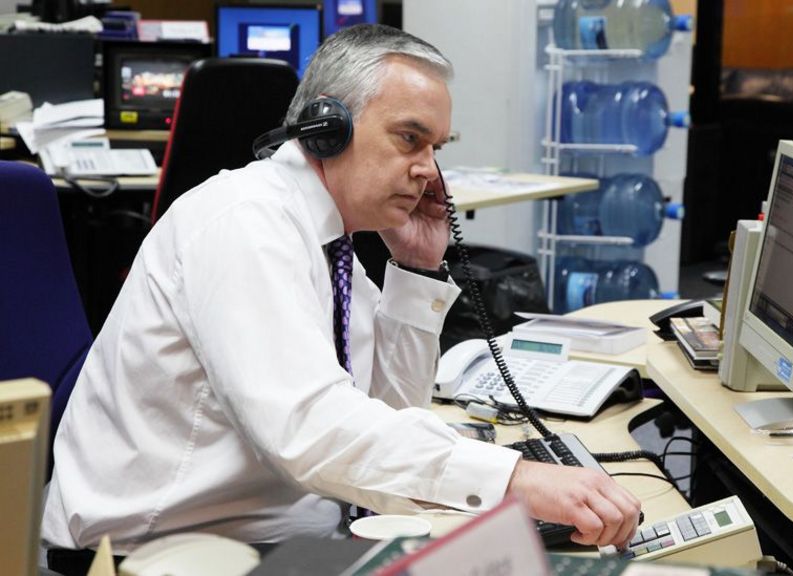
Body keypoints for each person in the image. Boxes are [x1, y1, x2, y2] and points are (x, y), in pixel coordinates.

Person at [43, 24, 640, 573]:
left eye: (437, 147)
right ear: (325, 128)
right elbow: (311, 431)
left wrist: (415, 269)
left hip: (275, 534)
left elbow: (389, 414)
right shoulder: (245, 222)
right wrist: (514, 476)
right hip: (153, 552)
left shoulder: (331, 242)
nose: (429, 172)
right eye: (411, 139)